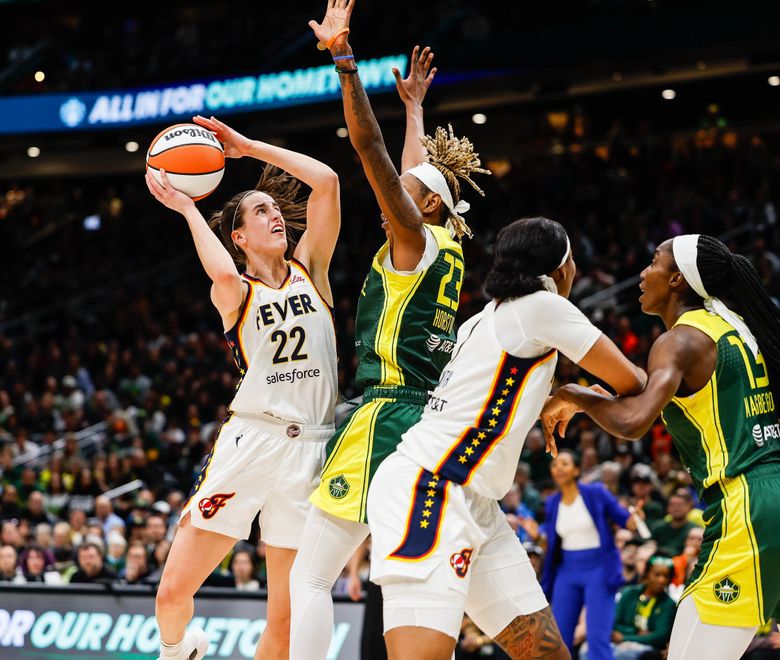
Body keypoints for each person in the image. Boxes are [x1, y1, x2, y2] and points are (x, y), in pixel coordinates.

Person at [290, 3, 490, 657]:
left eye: (405, 193)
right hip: (426, 422)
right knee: (398, 577)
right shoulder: (444, 244)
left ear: (424, 204)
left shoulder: (413, 238)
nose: (392, 198)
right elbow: (412, 171)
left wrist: (346, 64)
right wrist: (414, 109)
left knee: (312, 576)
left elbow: (371, 152)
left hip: (385, 413)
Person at [366, 217, 646, 660]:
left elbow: (490, 406)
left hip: (476, 504)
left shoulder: (482, 321)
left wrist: (558, 398)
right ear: (560, 268)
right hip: (428, 491)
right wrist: (577, 394)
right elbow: (632, 381)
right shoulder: (542, 306)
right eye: (572, 260)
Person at [145, 113, 341, 660]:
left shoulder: (311, 271)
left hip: (312, 449)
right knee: (170, 596)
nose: (276, 214)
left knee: (284, 614)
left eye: (277, 209)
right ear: (238, 235)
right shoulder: (236, 292)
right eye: (261, 211)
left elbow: (326, 182)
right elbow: (225, 275)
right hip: (252, 442)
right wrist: (186, 207)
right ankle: (179, 649)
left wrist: (251, 147)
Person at [542, 234, 780, 659]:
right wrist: (599, 396)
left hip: (747, 506)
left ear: (676, 280)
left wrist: (577, 395)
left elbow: (634, 423)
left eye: (652, 262)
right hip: (765, 497)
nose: (642, 272)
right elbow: (655, 390)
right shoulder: (729, 328)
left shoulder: (679, 341)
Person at [533, 450, 645, 660]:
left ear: (576, 470)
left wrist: (635, 518)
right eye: (555, 464)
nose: (558, 468)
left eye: (565, 464)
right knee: (559, 639)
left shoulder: (596, 493)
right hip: (567, 570)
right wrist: (537, 537)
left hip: (598, 569)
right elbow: (551, 541)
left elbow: (625, 521)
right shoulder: (552, 503)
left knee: (596, 637)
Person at [587, 556, 675, 660]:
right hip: (621, 640)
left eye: (666, 576)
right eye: (657, 575)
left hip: (647, 647)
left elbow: (659, 637)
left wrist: (624, 637)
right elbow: (614, 622)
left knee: (623, 654)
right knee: (587, 650)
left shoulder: (669, 604)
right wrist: (635, 631)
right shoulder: (629, 593)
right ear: (647, 574)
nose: (662, 580)